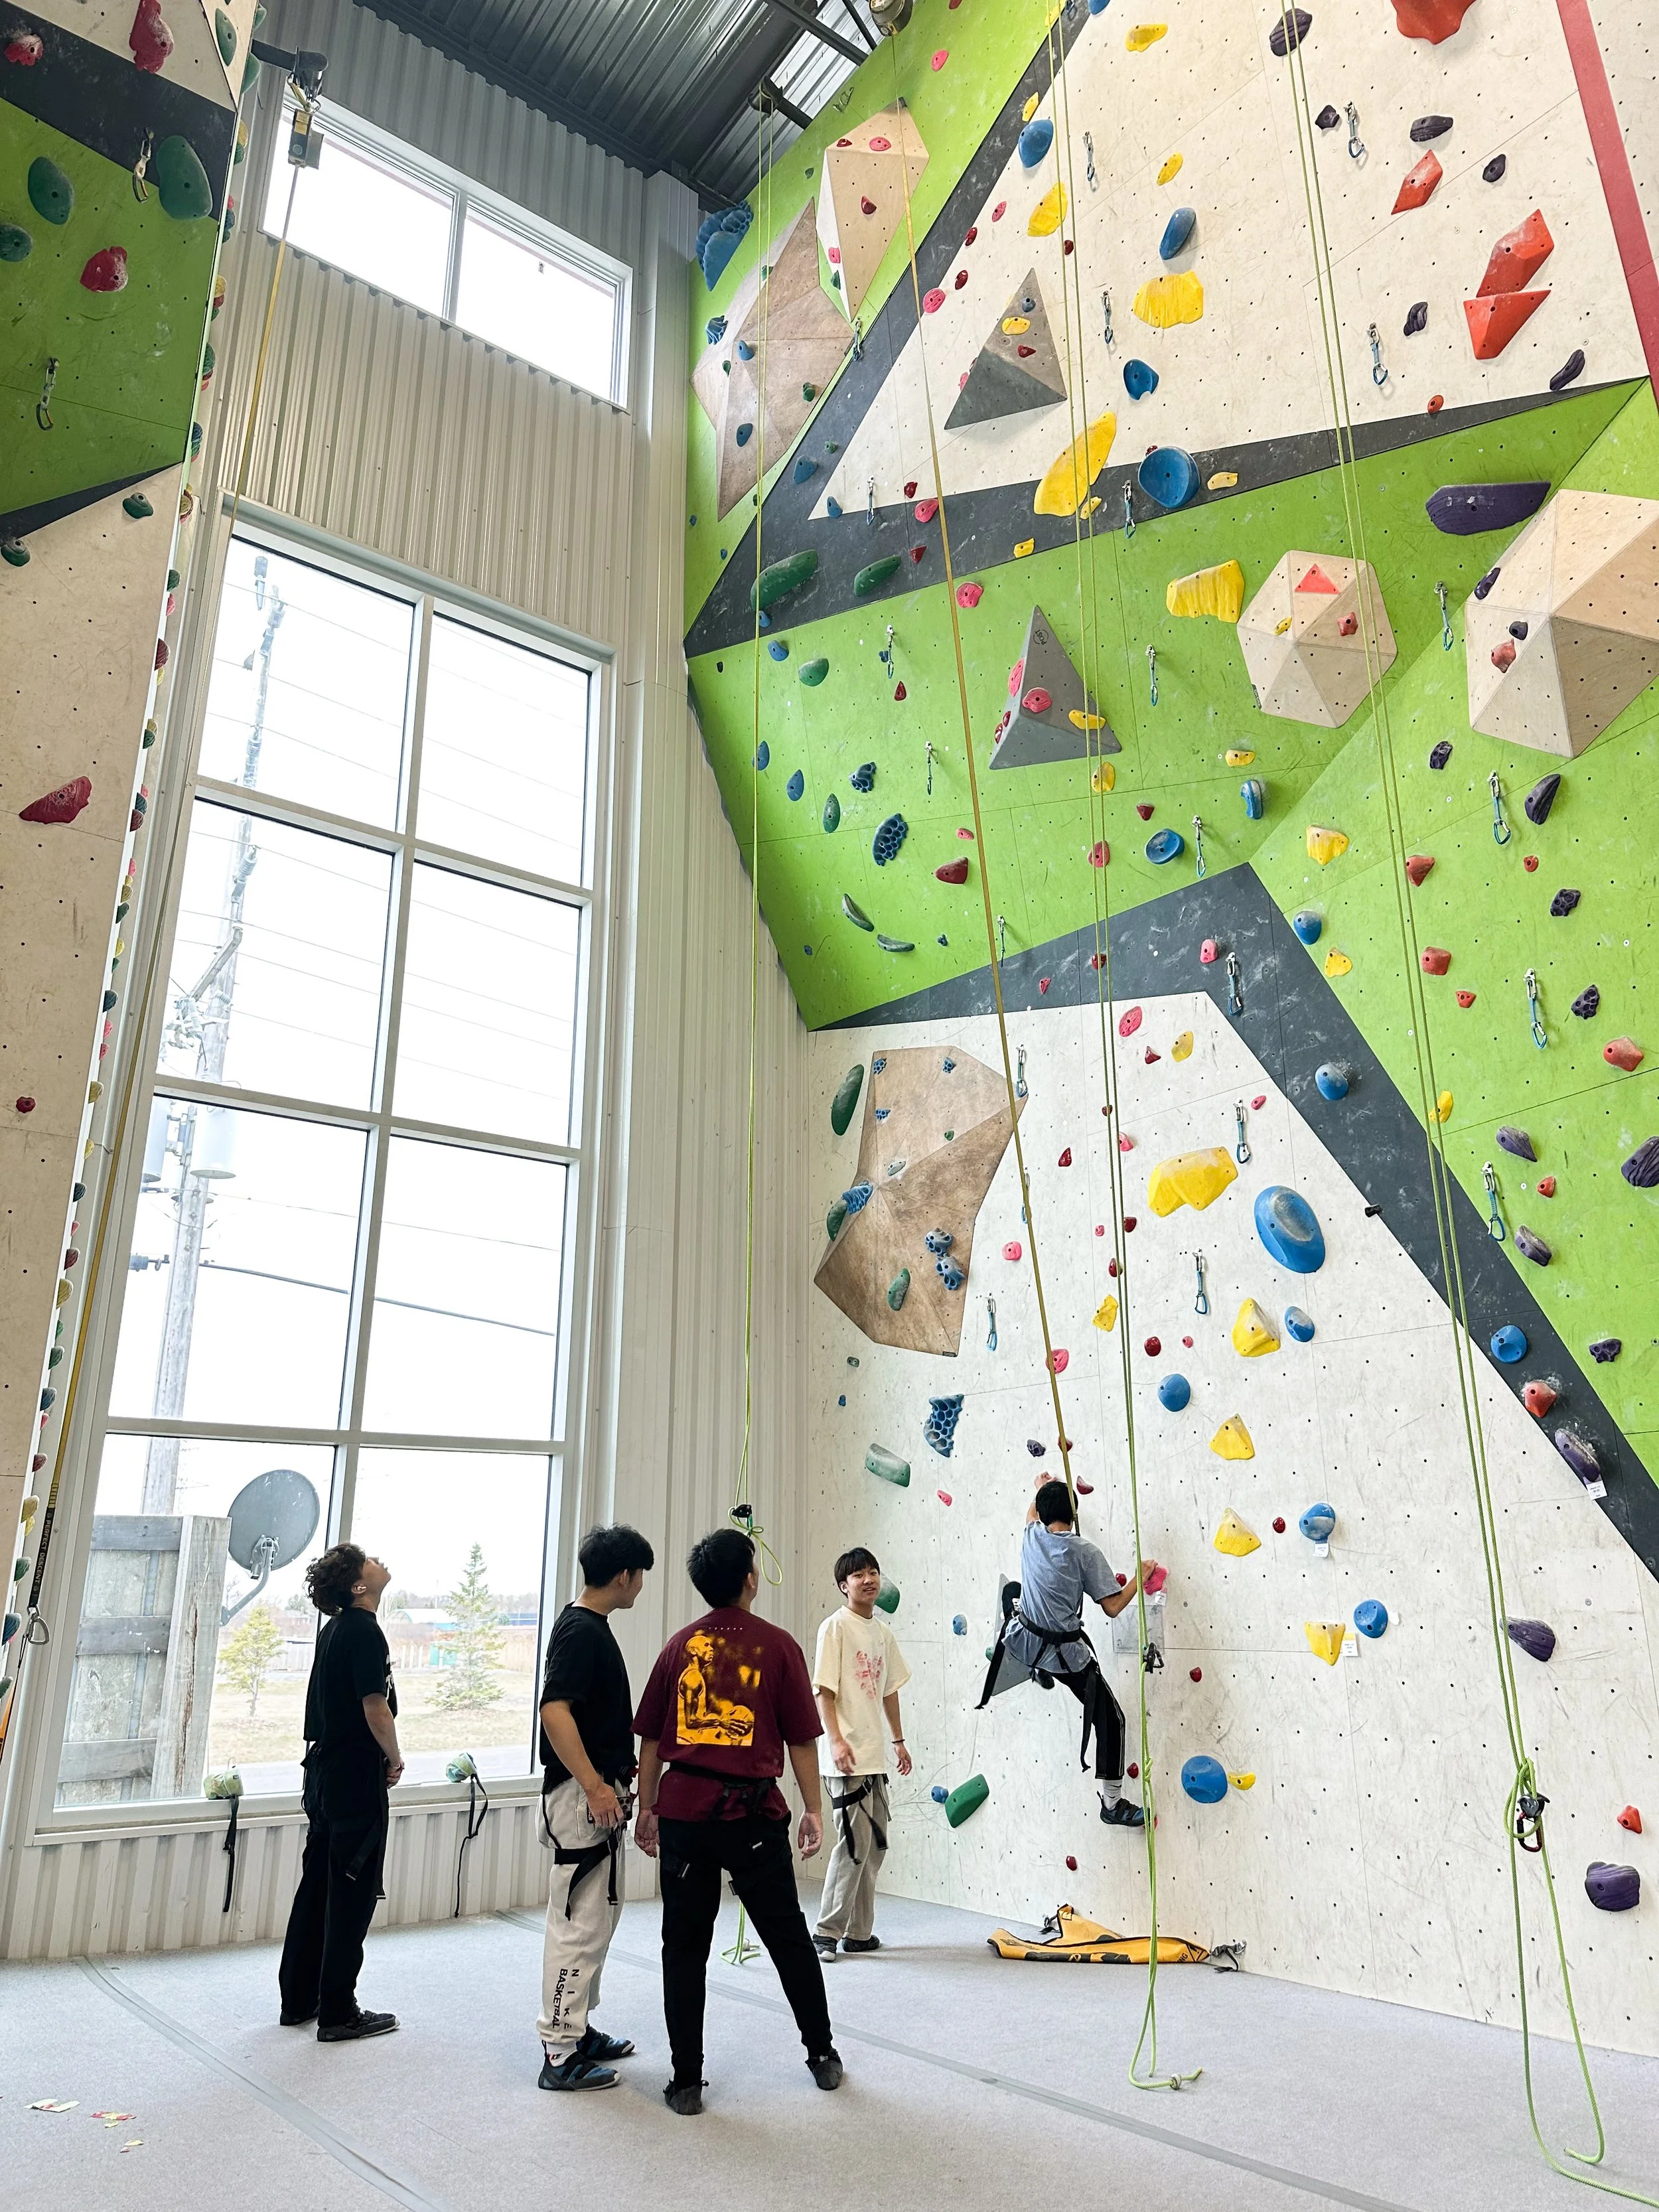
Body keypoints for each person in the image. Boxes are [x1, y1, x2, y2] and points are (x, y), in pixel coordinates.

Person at [633, 1525, 842, 2116]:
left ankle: (686, 2082)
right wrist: (812, 1807)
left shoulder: (678, 1646)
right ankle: (822, 2054)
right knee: (787, 1938)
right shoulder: (777, 1646)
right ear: (751, 1578)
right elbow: (802, 1739)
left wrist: (647, 1806)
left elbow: (650, 1738)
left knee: (684, 1946)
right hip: (752, 1815)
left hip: (684, 1815)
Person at [535, 1522, 656, 2091]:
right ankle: (559, 2051)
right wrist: (593, 1785)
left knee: (600, 1917)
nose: (641, 1587)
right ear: (622, 1575)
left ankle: (577, 2029)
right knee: (578, 1923)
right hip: (580, 1796)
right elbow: (554, 1710)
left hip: (598, 1792)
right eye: (640, 1576)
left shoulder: (590, 1624)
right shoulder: (581, 1630)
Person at [278, 1544, 403, 2040]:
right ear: (358, 1586)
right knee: (351, 1895)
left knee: (318, 1888)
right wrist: (393, 1757)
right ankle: (338, 2010)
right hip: (354, 1779)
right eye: (369, 1559)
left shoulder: (334, 1632)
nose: (379, 1560)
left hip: (325, 1777)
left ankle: (299, 1997)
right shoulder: (364, 1631)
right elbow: (376, 1707)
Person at [977, 1480, 1149, 1829]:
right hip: (1064, 1655)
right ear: (1075, 1515)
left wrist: (1039, 1486)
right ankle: (1112, 1805)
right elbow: (1113, 1607)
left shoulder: (1031, 1536)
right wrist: (1138, 1577)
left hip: (1023, 1640)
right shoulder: (1085, 1552)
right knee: (1112, 1720)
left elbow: (1031, 1513)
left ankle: (1035, 1668)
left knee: (1015, 1593)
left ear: (1041, 1514)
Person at [810, 1547, 912, 1960]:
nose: (868, 1580)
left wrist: (899, 1741)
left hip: (874, 1756)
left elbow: (889, 1690)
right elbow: (824, 1690)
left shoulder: (883, 1634)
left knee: (876, 1846)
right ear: (843, 1585)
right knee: (853, 1845)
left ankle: (859, 1934)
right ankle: (825, 1933)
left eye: (873, 1573)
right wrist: (835, 1740)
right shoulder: (834, 1628)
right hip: (846, 1754)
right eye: (858, 1575)